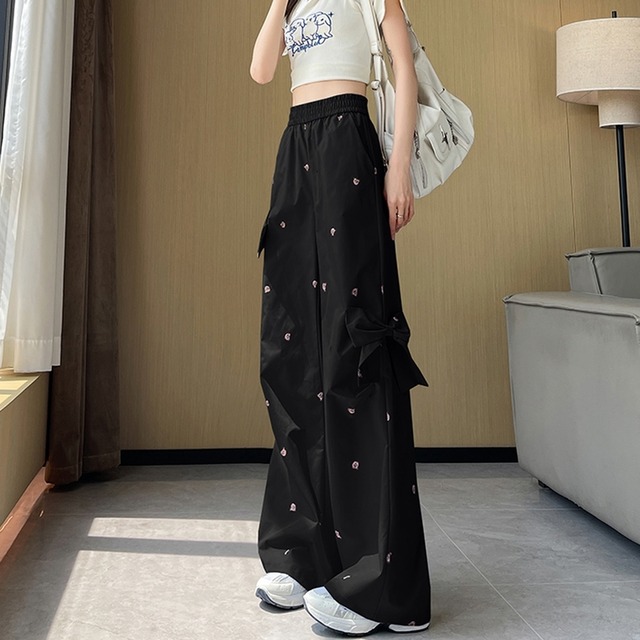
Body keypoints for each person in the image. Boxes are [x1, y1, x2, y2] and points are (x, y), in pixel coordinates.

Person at [250, 0, 431, 634]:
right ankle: (302, 556)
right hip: (295, 149)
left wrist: (398, 165)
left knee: (355, 350)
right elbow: (261, 69)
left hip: (349, 145)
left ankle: (384, 587)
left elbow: (404, 69)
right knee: (293, 352)